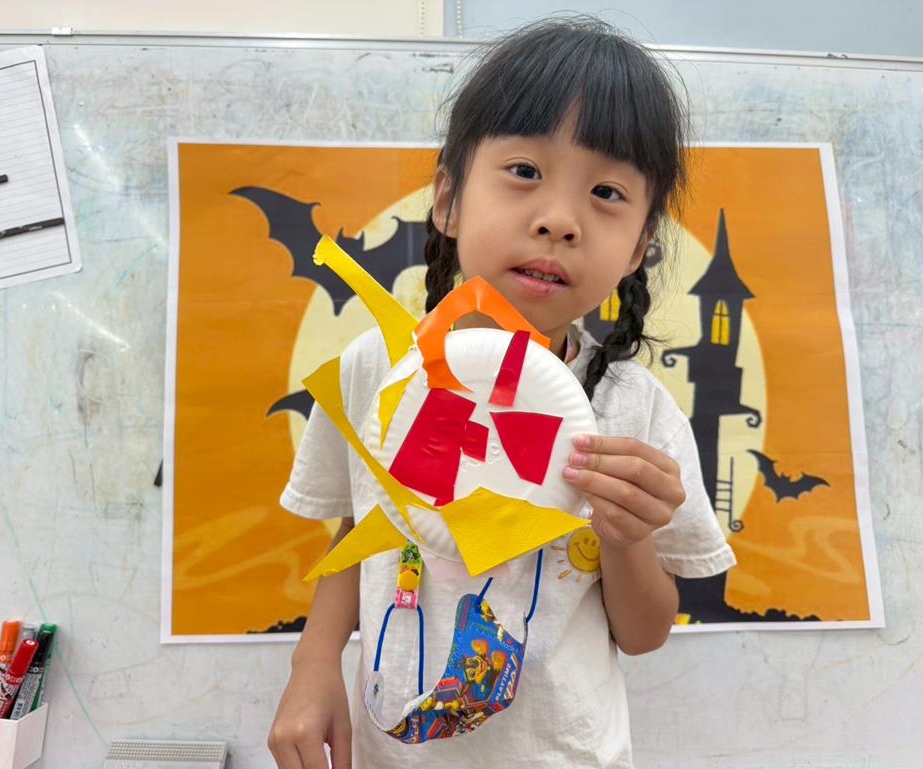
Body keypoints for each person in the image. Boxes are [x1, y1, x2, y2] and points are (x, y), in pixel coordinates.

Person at [269, 16, 736, 769]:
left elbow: (644, 634)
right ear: (448, 200)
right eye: (524, 171)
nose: (558, 220)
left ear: (640, 247)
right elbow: (363, 526)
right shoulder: (375, 370)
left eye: (607, 191)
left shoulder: (635, 409)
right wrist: (312, 662)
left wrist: (627, 536)